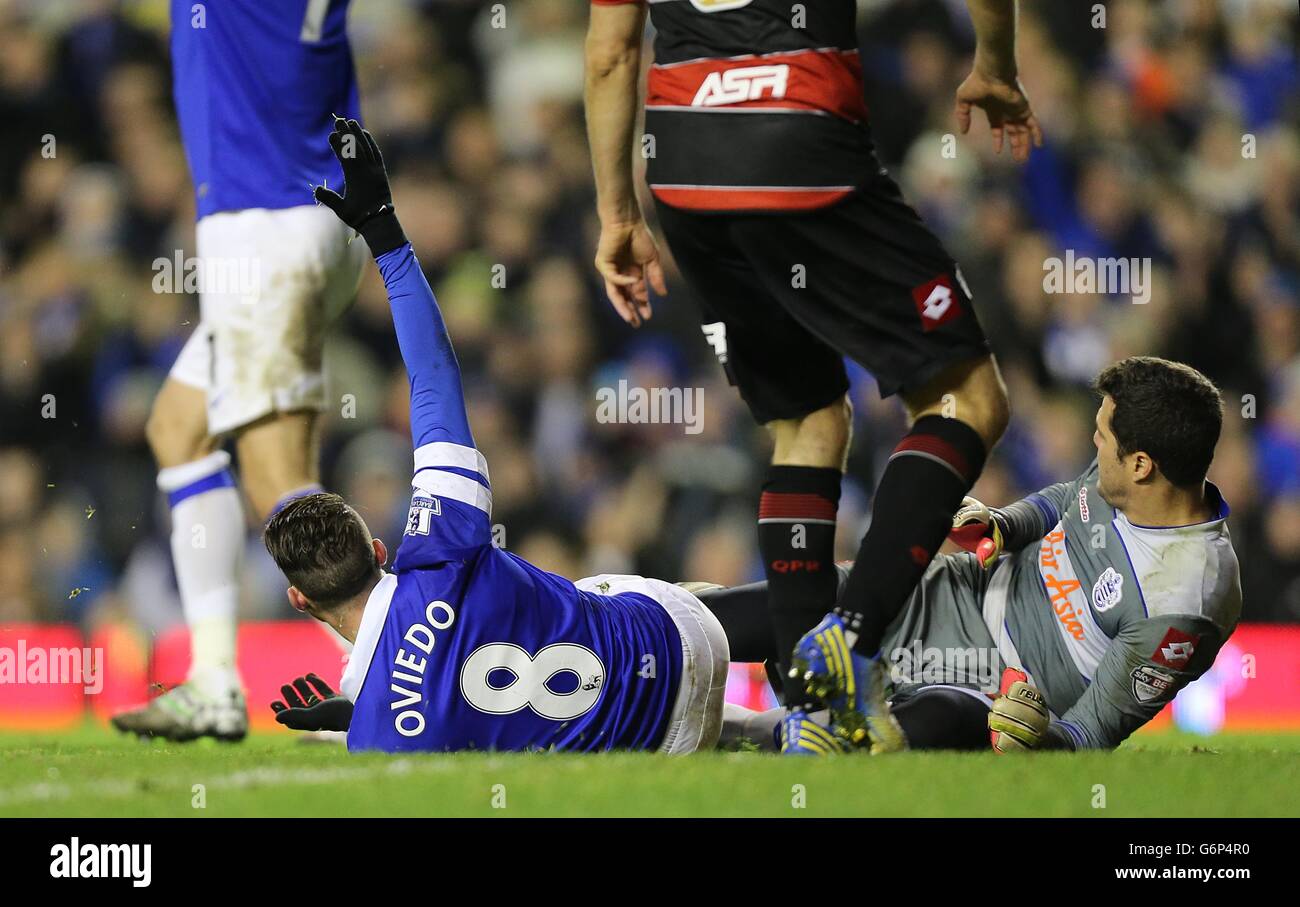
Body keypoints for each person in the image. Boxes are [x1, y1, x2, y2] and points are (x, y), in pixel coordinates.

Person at [274, 355, 1243, 755]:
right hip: (949, 589)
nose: (1092, 447)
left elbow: (1101, 726)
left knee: (926, 712)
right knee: (778, 606)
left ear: (1149, 464)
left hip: (997, 674)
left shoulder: (1190, 593)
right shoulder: (1118, 482)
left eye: (1107, 438)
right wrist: (1001, 528)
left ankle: (790, 738)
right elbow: (1053, 506)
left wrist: (1040, 734)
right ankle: (633, 647)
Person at [583, 0, 1041, 753]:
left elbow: (610, 52)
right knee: (969, 397)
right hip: (802, 140)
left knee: (808, 422)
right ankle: (851, 640)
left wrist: (616, 212)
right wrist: (994, 64)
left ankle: (815, 713)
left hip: (688, 170)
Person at [263, 118, 733, 754]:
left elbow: (432, 697)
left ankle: (762, 729)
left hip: (655, 749)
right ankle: (830, 634)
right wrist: (383, 231)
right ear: (378, 549)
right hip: (680, 641)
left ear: (301, 601)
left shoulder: (380, 739)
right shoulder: (439, 542)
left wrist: (360, 711)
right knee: (592, 594)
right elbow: (432, 373)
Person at [112, 0, 366, 741]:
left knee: (277, 478)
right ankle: (215, 679)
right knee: (179, 427)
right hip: (325, 210)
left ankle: (397, 673)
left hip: (264, 222)